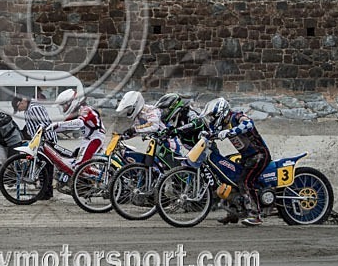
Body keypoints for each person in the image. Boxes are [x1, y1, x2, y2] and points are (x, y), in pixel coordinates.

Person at [200, 97, 271, 227]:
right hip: (246, 157)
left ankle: (256, 215)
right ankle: (234, 213)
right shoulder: (221, 125)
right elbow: (211, 132)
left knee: (245, 181)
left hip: (259, 154)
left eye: (212, 116)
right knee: (231, 179)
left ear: (220, 113)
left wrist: (231, 131)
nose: (211, 119)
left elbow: (248, 123)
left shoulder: (236, 116)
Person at [11, 95, 57, 198]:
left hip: (46, 141)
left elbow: (45, 124)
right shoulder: (27, 110)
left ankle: (46, 192)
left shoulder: (34, 108)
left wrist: (38, 136)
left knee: (46, 167)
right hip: (38, 143)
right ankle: (45, 191)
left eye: (18, 107)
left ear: (22, 101)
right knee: (43, 167)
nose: (18, 110)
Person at [47, 89, 106, 166]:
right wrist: (47, 128)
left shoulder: (85, 109)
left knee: (81, 165)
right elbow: (65, 125)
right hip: (87, 139)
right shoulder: (76, 112)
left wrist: (57, 125)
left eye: (64, 105)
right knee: (72, 159)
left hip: (95, 138)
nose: (63, 108)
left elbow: (79, 123)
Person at [115, 91, 183, 155]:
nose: (128, 112)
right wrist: (122, 137)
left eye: (129, 110)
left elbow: (153, 126)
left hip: (170, 143)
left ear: (136, 105)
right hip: (158, 144)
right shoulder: (138, 116)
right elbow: (137, 130)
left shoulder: (150, 110)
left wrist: (134, 129)